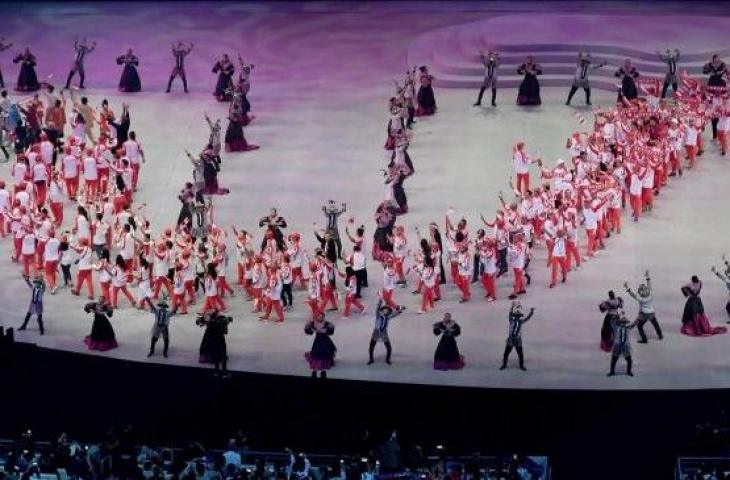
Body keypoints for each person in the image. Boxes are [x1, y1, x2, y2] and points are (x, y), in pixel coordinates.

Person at [624, 270, 663, 343]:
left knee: (639, 326)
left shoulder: (640, 299)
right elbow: (649, 285)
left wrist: (627, 287)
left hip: (644, 314)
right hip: (651, 312)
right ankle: (660, 335)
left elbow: (632, 295)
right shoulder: (650, 294)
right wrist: (647, 276)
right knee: (655, 323)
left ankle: (644, 339)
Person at [500, 302, 535, 371]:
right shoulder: (514, 321)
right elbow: (510, 314)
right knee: (508, 353)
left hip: (515, 339)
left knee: (519, 354)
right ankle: (505, 365)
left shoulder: (515, 321)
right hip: (513, 339)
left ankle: (520, 365)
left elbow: (528, 317)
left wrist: (531, 312)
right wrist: (512, 307)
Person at [368, 298, 401, 365]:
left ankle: (388, 360)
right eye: (384, 310)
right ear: (382, 310)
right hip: (376, 332)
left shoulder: (388, 317)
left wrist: (400, 311)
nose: (386, 311)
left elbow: (395, 314)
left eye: (387, 310)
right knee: (371, 347)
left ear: (388, 311)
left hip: (384, 333)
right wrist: (380, 303)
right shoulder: (378, 316)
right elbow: (377, 310)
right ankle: (371, 359)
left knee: (389, 347)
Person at [197, 309, 231, 375]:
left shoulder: (209, 321)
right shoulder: (221, 320)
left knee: (213, 350)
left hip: (210, 337)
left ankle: (216, 371)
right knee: (222, 352)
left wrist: (204, 319)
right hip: (219, 338)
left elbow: (198, 322)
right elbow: (225, 331)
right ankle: (224, 372)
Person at [304, 312, 336, 378]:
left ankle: (326, 364)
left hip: (325, 339)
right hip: (318, 340)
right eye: (318, 316)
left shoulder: (327, 323)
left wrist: (324, 331)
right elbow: (308, 331)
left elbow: (331, 329)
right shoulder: (313, 323)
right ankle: (317, 368)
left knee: (326, 351)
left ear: (323, 317)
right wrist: (309, 326)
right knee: (317, 352)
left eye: (321, 316)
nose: (320, 317)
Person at [607, 311, 638, 377]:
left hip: (625, 346)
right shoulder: (616, 327)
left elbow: (634, 324)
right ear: (619, 322)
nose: (623, 323)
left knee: (629, 360)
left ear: (625, 323)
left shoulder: (627, 328)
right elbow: (611, 322)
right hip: (617, 345)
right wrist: (617, 315)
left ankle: (628, 372)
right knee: (614, 359)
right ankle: (612, 372)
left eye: (624, 322)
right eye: (622, 322)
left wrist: (638, 319)